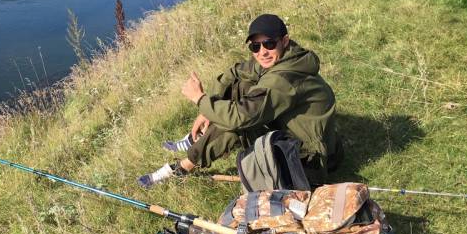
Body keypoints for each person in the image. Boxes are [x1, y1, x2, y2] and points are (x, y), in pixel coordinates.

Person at [138, 13, 342, 188]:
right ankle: (196, 140)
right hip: (305, 143)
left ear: (285, 41)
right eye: (255, 46)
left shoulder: (284, 78)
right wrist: (206, 109)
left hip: (307, 163)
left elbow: (240, 117)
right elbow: (235, 73)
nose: (262, 52)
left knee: (238, 121)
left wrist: (200, 100)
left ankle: (182, 167)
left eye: (269, 43)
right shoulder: (285, 58)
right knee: (241, 88)